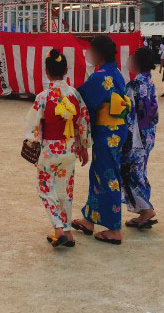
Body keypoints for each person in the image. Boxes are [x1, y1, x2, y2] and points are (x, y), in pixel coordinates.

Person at [23, 49, 91, 247]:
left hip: (50, 149)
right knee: (65, 190)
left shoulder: (44, 97)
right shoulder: (74, 94)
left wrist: (32, 142)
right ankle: (68, 233)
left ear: (46, 72)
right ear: (66, 70)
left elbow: (33, 126)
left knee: (45, 189)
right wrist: (84, 146)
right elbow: (83, 121)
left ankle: (59, 229)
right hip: (69, 148)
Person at [71, 35, 130, 245]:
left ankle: (114, 229)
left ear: (98, 53)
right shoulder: (116, 74)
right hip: (116, 130)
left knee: (108, 176)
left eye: (90, 51)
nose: (88, 54)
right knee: (98, 172)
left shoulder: (99, 78)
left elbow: (79, 98)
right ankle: (89, 219)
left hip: (107, 132)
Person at [122, 47, 159, 229]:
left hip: (136, 136)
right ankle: (144, 210)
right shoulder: (149, 81)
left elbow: (127, 114)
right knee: (140, 171)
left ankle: (146, 209)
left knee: (131, 171)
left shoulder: (134, 85)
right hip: (148, 134)